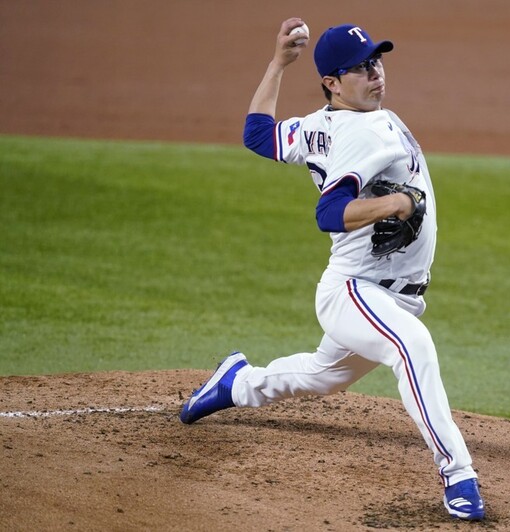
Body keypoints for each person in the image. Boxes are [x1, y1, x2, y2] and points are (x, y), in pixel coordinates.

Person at [179, 18, 484, 521]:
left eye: (376, 61)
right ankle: (458, 473)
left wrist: (278, 63)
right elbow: (328, 214)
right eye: (360, 69)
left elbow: (258, 134)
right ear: (332, 83)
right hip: (355, 290)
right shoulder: (362, 132)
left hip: (386, 293)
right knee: (413, 347)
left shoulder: (318, 125)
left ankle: (235, 382)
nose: (376, 73)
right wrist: (396, 205)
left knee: (323, 377)